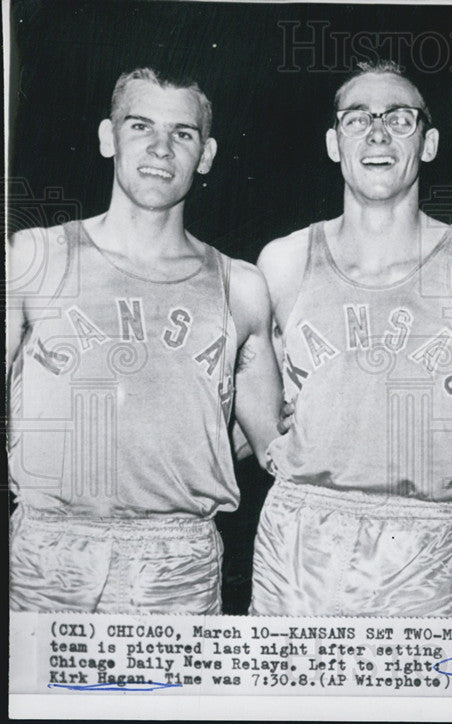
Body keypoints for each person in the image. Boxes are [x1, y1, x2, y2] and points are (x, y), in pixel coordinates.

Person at [250, 60, 452, 617]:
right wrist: (269, 445)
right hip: (296, 543)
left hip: (419, 551)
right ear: (334, 143)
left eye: (399, 119)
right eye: (358, 119)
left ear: (427, 143)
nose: (377, 133)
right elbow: (246, 401)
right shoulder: (282, 263)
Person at [6, 68, 283, 614]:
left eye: (182, 133)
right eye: (140, 126)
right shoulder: (32, 259)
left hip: (177, 563)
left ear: (205, 155)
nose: (160, 147)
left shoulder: (242, 287)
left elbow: (279, 445)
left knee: (167, 703)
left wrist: (419, 487)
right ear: (108, 137)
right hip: (47, 554)